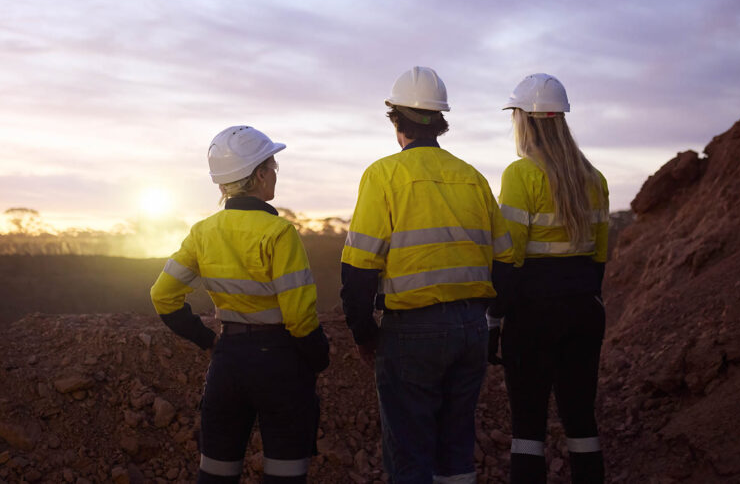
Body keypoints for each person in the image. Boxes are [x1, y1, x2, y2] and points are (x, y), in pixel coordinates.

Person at [340, 66, 515, 484]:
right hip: (470, 329)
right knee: (456, 451)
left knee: (410, 457)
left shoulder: (383, 175)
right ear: (440, 121)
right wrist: (488, 322)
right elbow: (506, 261)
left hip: (411, 332)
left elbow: (359, 266)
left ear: (395, 119)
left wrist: (364, 334)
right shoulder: (473, 178)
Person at [150, 125, 331, 484]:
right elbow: (298, 316)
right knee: (285, 476)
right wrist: (318, 357)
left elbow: (162, 295)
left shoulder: (203, 232)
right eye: (273, 168)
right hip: (280, 363)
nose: (275, 175)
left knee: (216, 475)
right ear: (260, 175)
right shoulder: (279, 233)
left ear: (223, 184)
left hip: (228, 362)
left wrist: (207, 340)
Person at [493, 73, 609, 484]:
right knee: (581, 419)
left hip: (533, 315)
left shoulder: (520, 175)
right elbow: (599, 257)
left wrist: (494, 320)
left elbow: (509, 256)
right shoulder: (595, 179)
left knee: (528, 426)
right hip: (584, 310)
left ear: (524, 119)